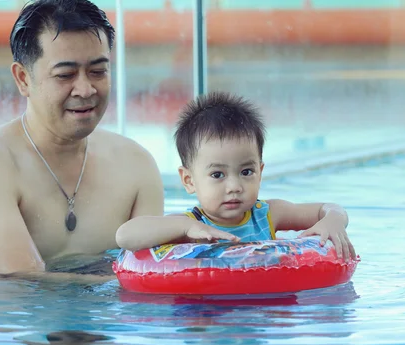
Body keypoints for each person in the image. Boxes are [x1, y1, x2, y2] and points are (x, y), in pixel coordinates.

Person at [0, 0, 164, 275]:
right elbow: (22, 280)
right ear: (23, 78)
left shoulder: (136, 165)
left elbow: (150, 274)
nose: (85, 89)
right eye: (65, 75)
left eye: (98, 71)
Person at [116, 92, 357, 261]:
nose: (234, 186)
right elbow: (125, 236)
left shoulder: (269, 215)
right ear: (189, 181)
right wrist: (186, 227)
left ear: (260, 173)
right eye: (217, 174)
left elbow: (329, 209)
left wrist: (333, 220)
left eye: (246, 172)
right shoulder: (190, 225)